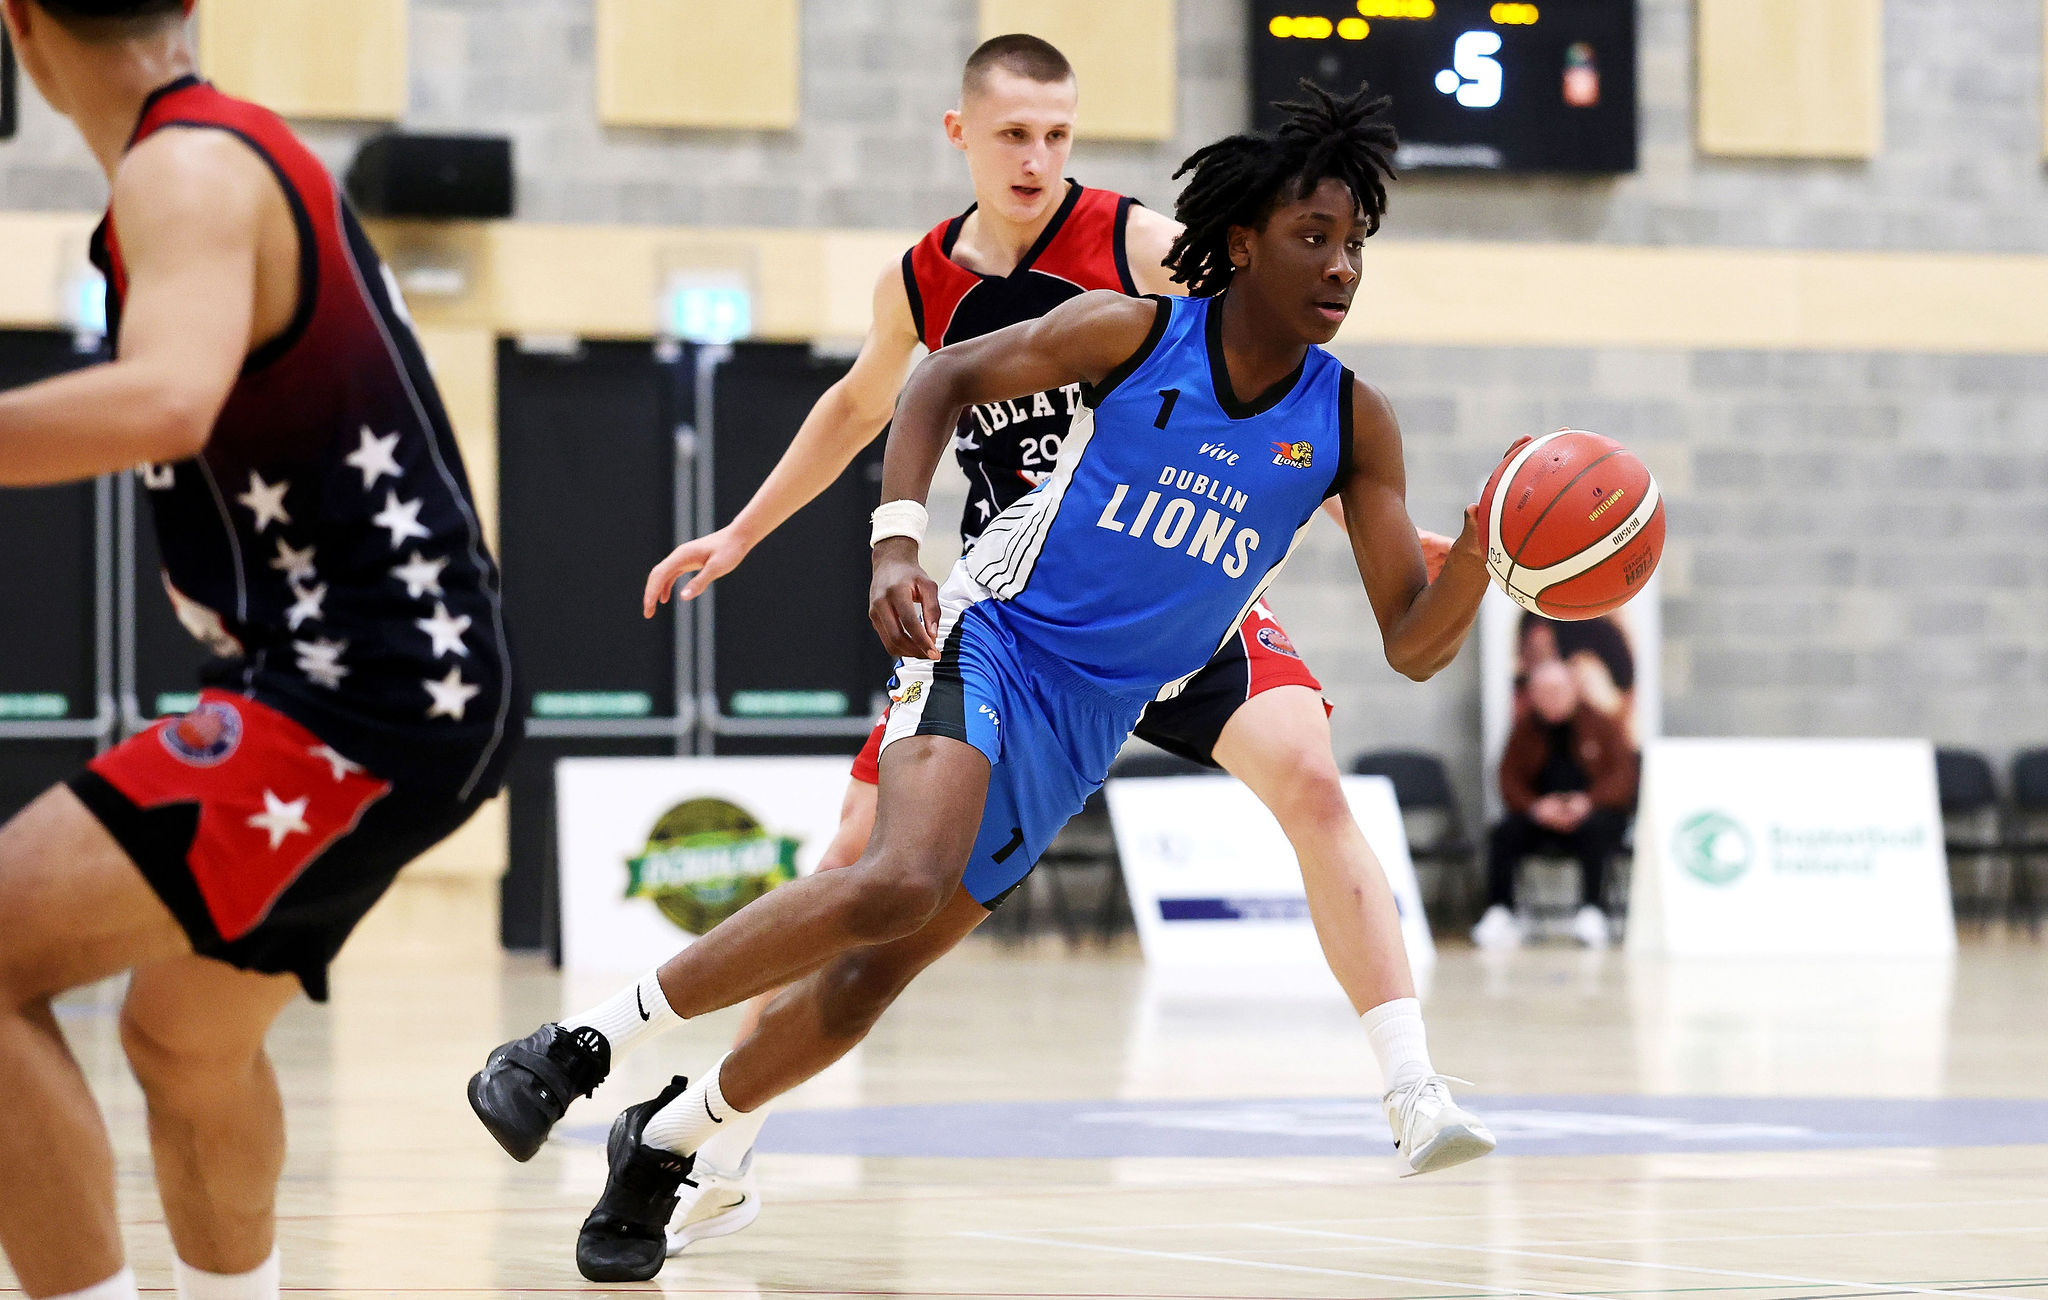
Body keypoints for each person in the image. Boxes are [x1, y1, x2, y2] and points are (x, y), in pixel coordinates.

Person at [479, 80, 1505, 1282]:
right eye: (1313, 236)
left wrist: (1485, 548)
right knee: (891, 876)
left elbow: (1412, 642)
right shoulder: (1131, 332)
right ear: (1240, 243)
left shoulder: (1353, 421)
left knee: (869, 981)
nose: (1339, 267)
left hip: (1089, 719)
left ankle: (668, 1139)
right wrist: (894, 544)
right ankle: (575, 1046)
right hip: (996, 636)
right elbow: (931, 383)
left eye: (1355, 245)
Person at [0, 4, 517, 1299]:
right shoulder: (245, 146)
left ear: (18, 24)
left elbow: (167, 397)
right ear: (189, 8)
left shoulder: (183, 165)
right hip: (401, 679)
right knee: (182, 1040)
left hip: (358, 692)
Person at [1473, 659, 1636, 950]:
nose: (1551, 698)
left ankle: (1593, 911)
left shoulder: (1602, 723)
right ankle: (1501, 911)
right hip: (1543, 815)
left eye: (1558, 690)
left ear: (1573, 690)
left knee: (1597, 830)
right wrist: (1536, 807)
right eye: (1544, 692)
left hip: (1592, 813)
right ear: (1533, 695)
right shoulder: (1525, 730)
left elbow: (1622, 777)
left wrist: (1588, 802)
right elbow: (1508, 779)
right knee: (1504, 832)